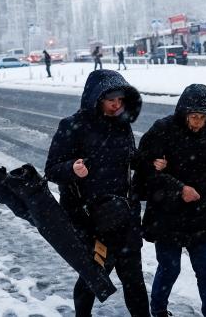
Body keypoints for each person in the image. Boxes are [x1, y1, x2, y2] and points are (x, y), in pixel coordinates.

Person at [45, 69, 150, 317]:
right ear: (96, 98)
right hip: (91, 220)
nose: (116, 105)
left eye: (120, 100)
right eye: (111, 99)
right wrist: (72, 169)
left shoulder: (122, 126)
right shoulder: (73, 126)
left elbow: (128, 159)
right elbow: (51, 170)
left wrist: (146, 162)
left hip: (124, 216)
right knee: (92, 276)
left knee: (134, 279)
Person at [137, 84, 206, 317]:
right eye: (194, 117)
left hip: (199, 213)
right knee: (170, 268)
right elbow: (143, 170)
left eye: (203, 118)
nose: (198, 123)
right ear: (184, 113)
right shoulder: (163, 129)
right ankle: (158, 310)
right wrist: (179, 188)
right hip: (166, 214)